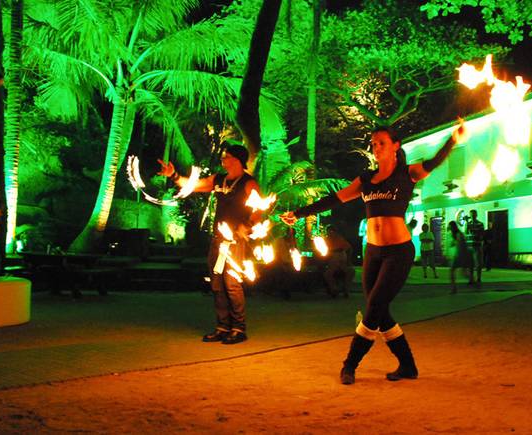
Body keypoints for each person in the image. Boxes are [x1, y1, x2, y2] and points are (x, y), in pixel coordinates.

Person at [281, 120, 466, 385]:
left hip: (398, 252)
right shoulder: (366, 180)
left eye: (382, 143)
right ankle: (408, 365)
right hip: (374, 252)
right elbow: (335, 199)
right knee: (378, 310)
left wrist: (453, 139)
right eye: (374, 144)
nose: (376, 148)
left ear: (395, 146)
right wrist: (299, 214)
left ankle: (349, 365)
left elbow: (434, 162)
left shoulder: (407, 173)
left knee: (374, 309)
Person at [158, 144, 259, 345]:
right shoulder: (218, 179)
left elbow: (260, 209)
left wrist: (246, 226)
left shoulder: (248, 183)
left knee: (231, 283)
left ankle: (238, 329)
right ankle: (223, 327)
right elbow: (193, 185)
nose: (223, 159)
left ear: (237, 160)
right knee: (217, 283)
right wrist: (174, 175)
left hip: (236, 241)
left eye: (227, 156)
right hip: (218, 239)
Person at [323, 225, 353, 298]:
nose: (330, 233)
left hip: (341, 262)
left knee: (350, 272)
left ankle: (346, 289)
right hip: (332, 263)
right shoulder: (325, 241)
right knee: (328, 274)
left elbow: (349, 248)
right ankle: (334, 289)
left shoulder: (340, 240)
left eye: (332, 231)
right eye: (328, 231)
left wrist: (348, 261)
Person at [448, 220, 472, 294]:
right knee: (461, 272)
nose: (449, 228)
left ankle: (454, 288)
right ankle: (471, 280)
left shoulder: (458, 234)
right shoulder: (457, 234)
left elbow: (461, 245)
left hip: (460, 255)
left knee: (454, 271)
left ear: (453, 227)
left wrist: (455, 245)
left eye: (450, 227)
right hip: (461, 255)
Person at [465, 209, 484, 285]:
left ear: (476, 215)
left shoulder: (480, 224)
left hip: (477, 246)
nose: (472, 216)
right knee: (470, 264)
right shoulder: (468, 223)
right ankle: (471, 279)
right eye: (471, 215)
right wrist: (467, 224)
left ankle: (479, 278)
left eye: (474, 215)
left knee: (478, 264)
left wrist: (470, 227)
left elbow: (479, 233)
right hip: (469, 246)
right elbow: (466, 232)